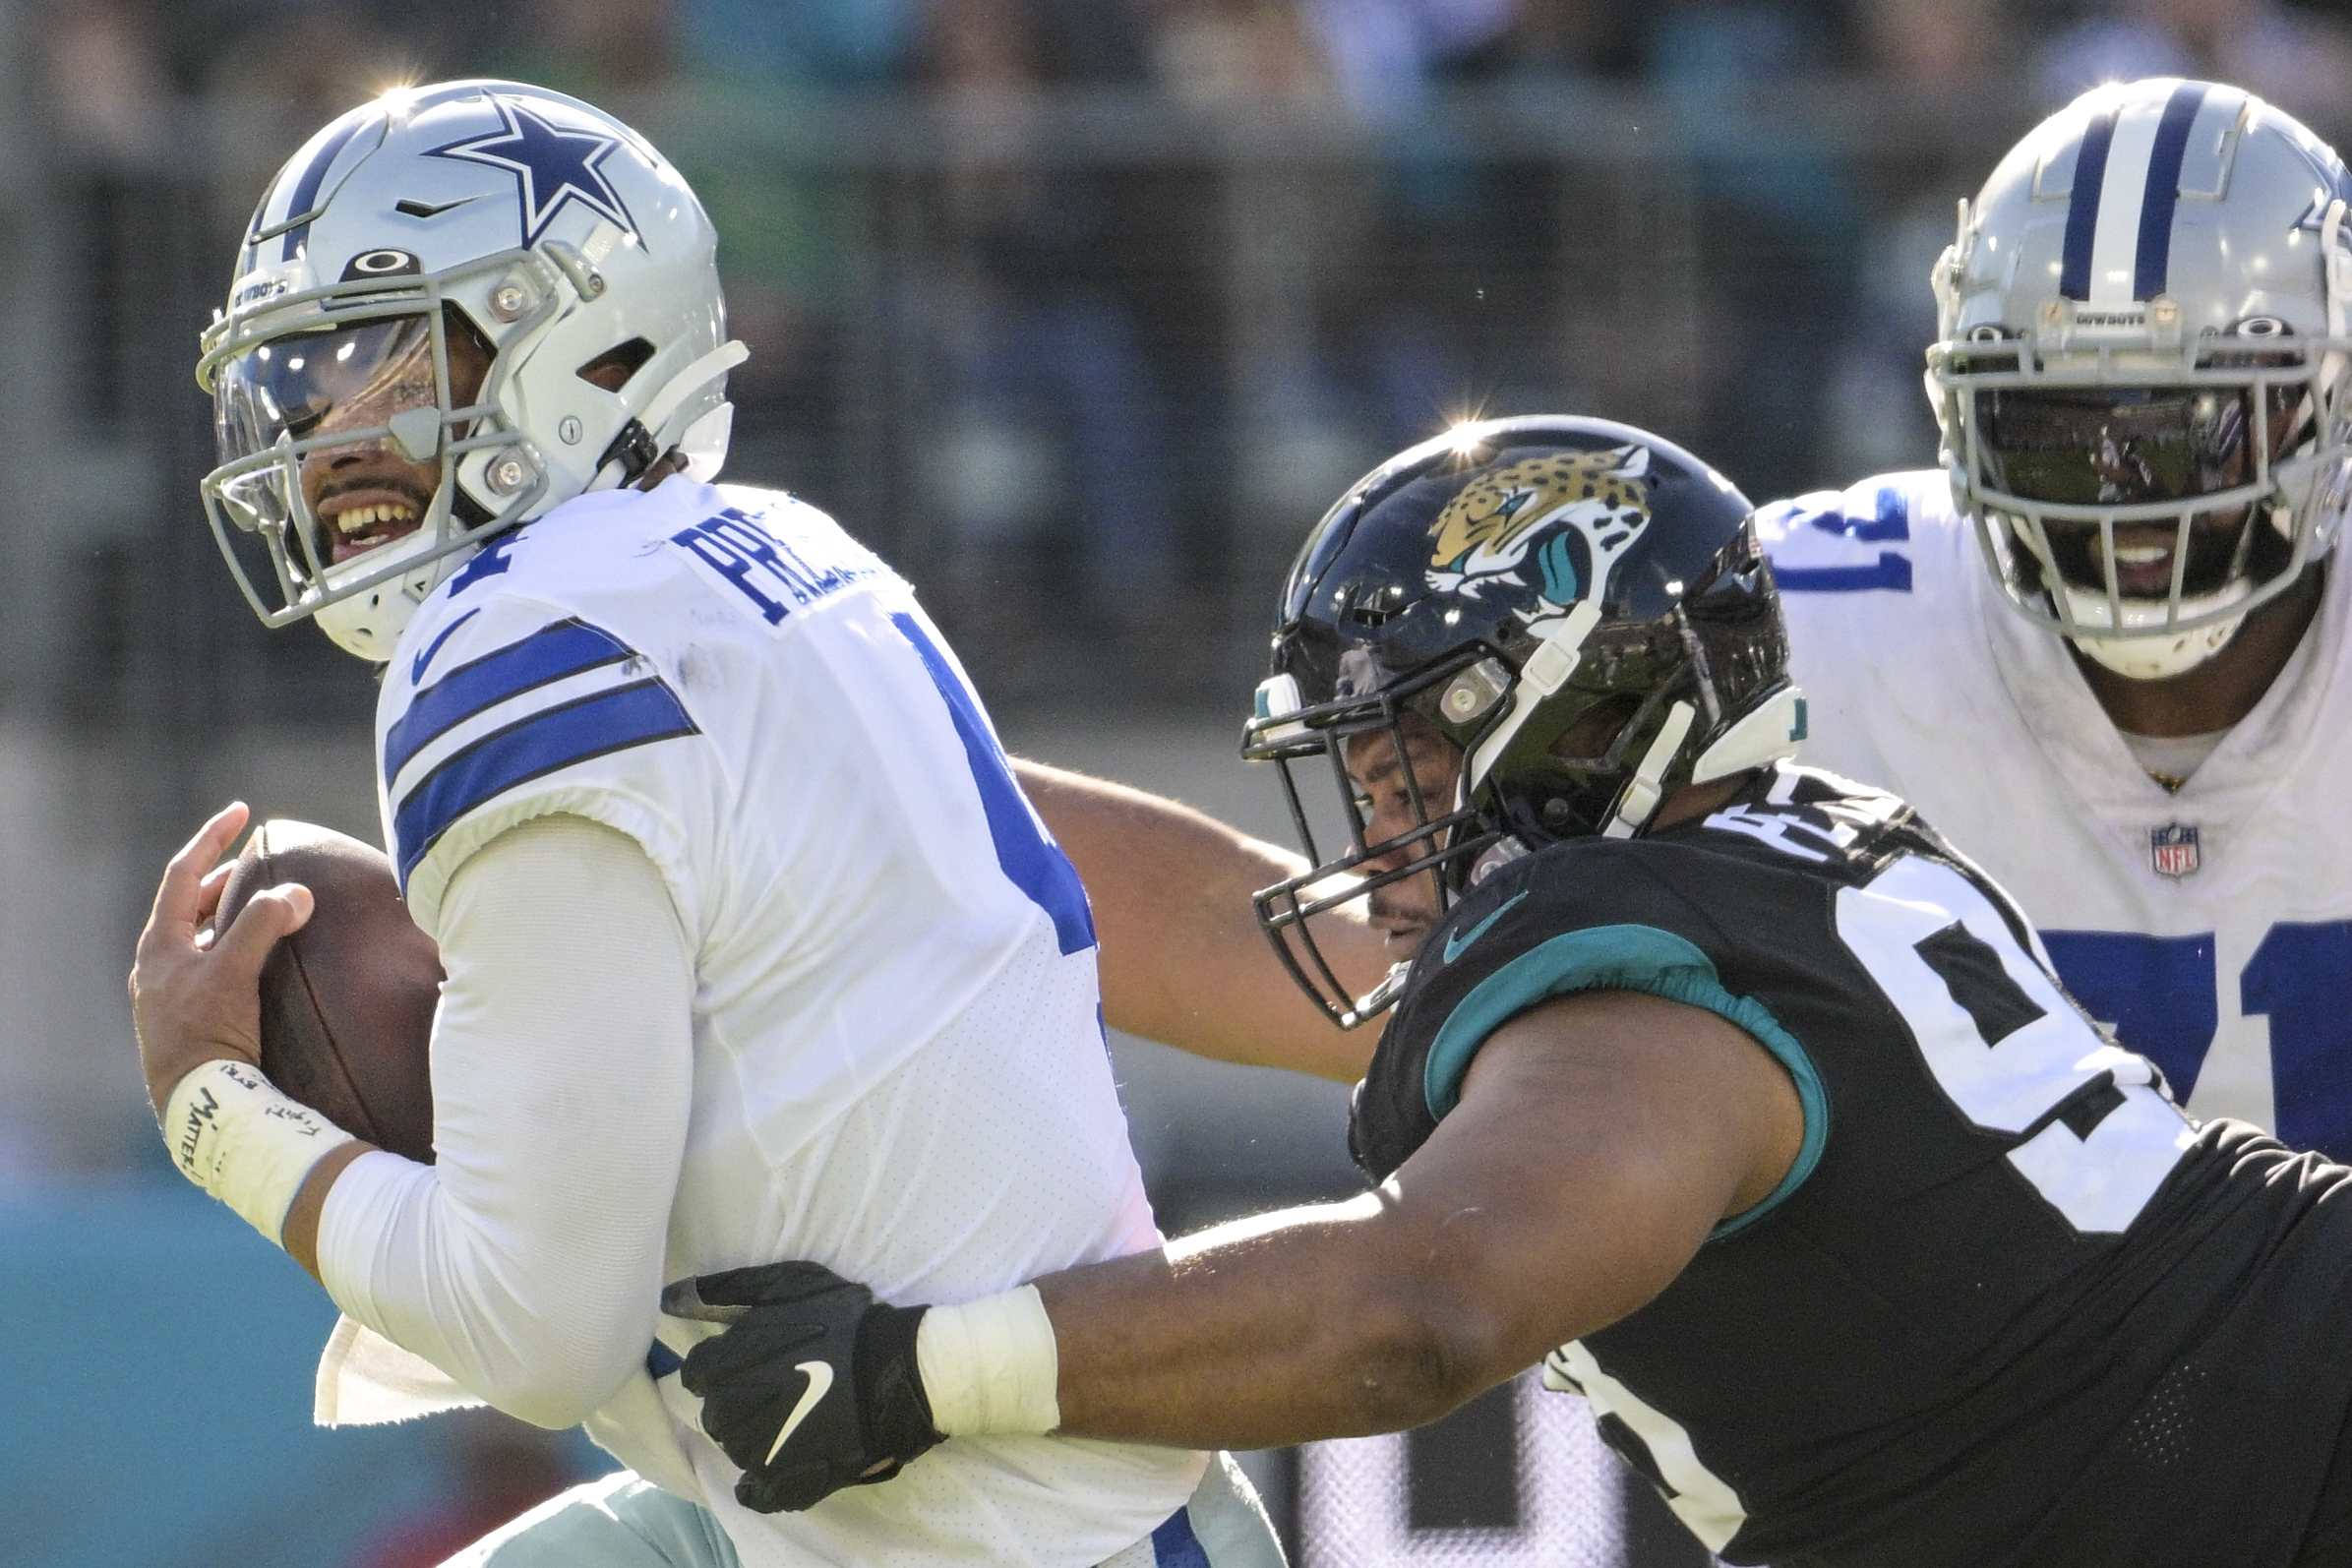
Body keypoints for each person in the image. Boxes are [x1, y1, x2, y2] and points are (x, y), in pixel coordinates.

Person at [665, 416, 2352, 1568]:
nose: (1369, 820)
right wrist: (845, 775)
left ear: (1575, 718)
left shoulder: (1647, 994)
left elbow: (1416, 1310)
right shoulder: (1762, 868)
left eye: (1401, 759)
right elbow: (1226, 926)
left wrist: (921, 1366)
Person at [127, 79, 1280, 1568]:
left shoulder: (506, 642)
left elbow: (534, 1330)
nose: (326, 435)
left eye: (374, 357)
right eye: (297, 382)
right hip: (944, 1490)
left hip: (998, 1538)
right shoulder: (788, 549)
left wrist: (214, 1111)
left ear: (572, 336)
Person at [1759, 77, 2352, 1162]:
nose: (2125, 495)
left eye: (2188, 432)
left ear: (2326, 401)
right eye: (2054, 431)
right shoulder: (1810, 616)